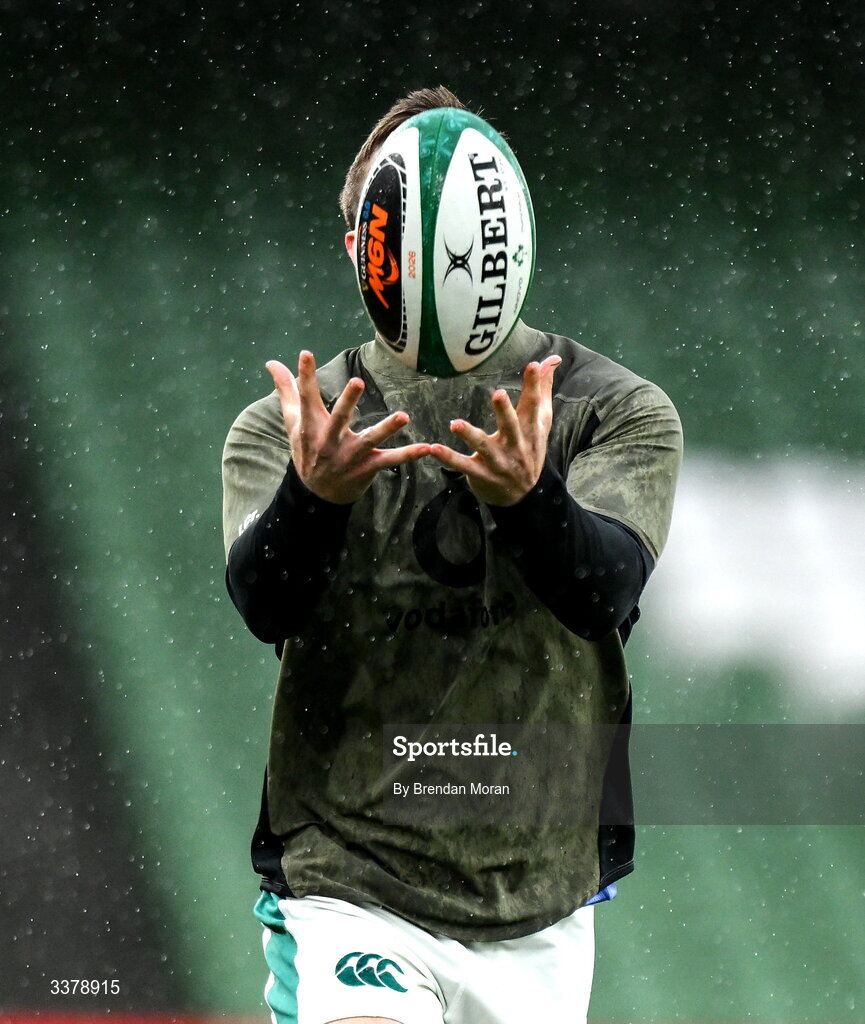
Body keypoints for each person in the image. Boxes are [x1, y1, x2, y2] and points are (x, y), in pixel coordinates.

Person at [222, 86, 682, 1024]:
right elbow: (265, 606)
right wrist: (314, 499)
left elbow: (603, 593)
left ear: (507, 232)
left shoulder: (617, 411)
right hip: (349, 880)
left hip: (536, 902)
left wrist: (530, 500)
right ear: (358, 247)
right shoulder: (292, 425)